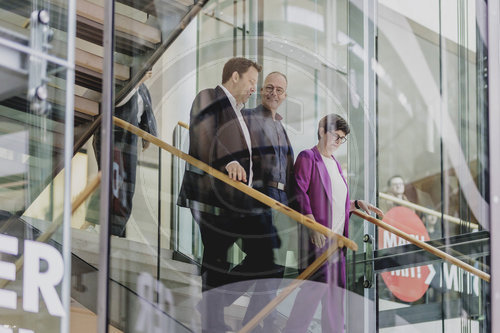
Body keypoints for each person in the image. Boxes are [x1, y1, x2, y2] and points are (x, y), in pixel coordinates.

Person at [177, 57, 278, 333]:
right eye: (251, 82)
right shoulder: (209, 97)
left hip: (236, 201)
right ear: (235, 77)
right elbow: (203, 136)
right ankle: (213, 320)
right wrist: (226, 162)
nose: (253, 89)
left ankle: (212, 306)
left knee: (263, 257)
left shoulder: (241, 114)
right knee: (217, 258)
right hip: (212, 196)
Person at [283, 114, 383, 333]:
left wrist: (355, 203)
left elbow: (334, 201)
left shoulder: (336, 165)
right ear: (321, 131)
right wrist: (311, 224)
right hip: (318, 239)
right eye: (335, 136)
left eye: (342, 138)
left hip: (337, 243)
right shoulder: (308, 157)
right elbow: (299, 192)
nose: (338, 142)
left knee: (335, 299)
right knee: (311, 295)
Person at [226, 72, 295, 331]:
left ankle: (252, 322)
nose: (274, 93)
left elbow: (290, 172)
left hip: (281, 202)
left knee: (273, 266)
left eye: (279, 90)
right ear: (261, 90)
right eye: (269, 87)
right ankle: (220, 297)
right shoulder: (247, 117)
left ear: (285, 96)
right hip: (256, 196)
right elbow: (232, 151)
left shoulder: (281, 127)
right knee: (265, 261)